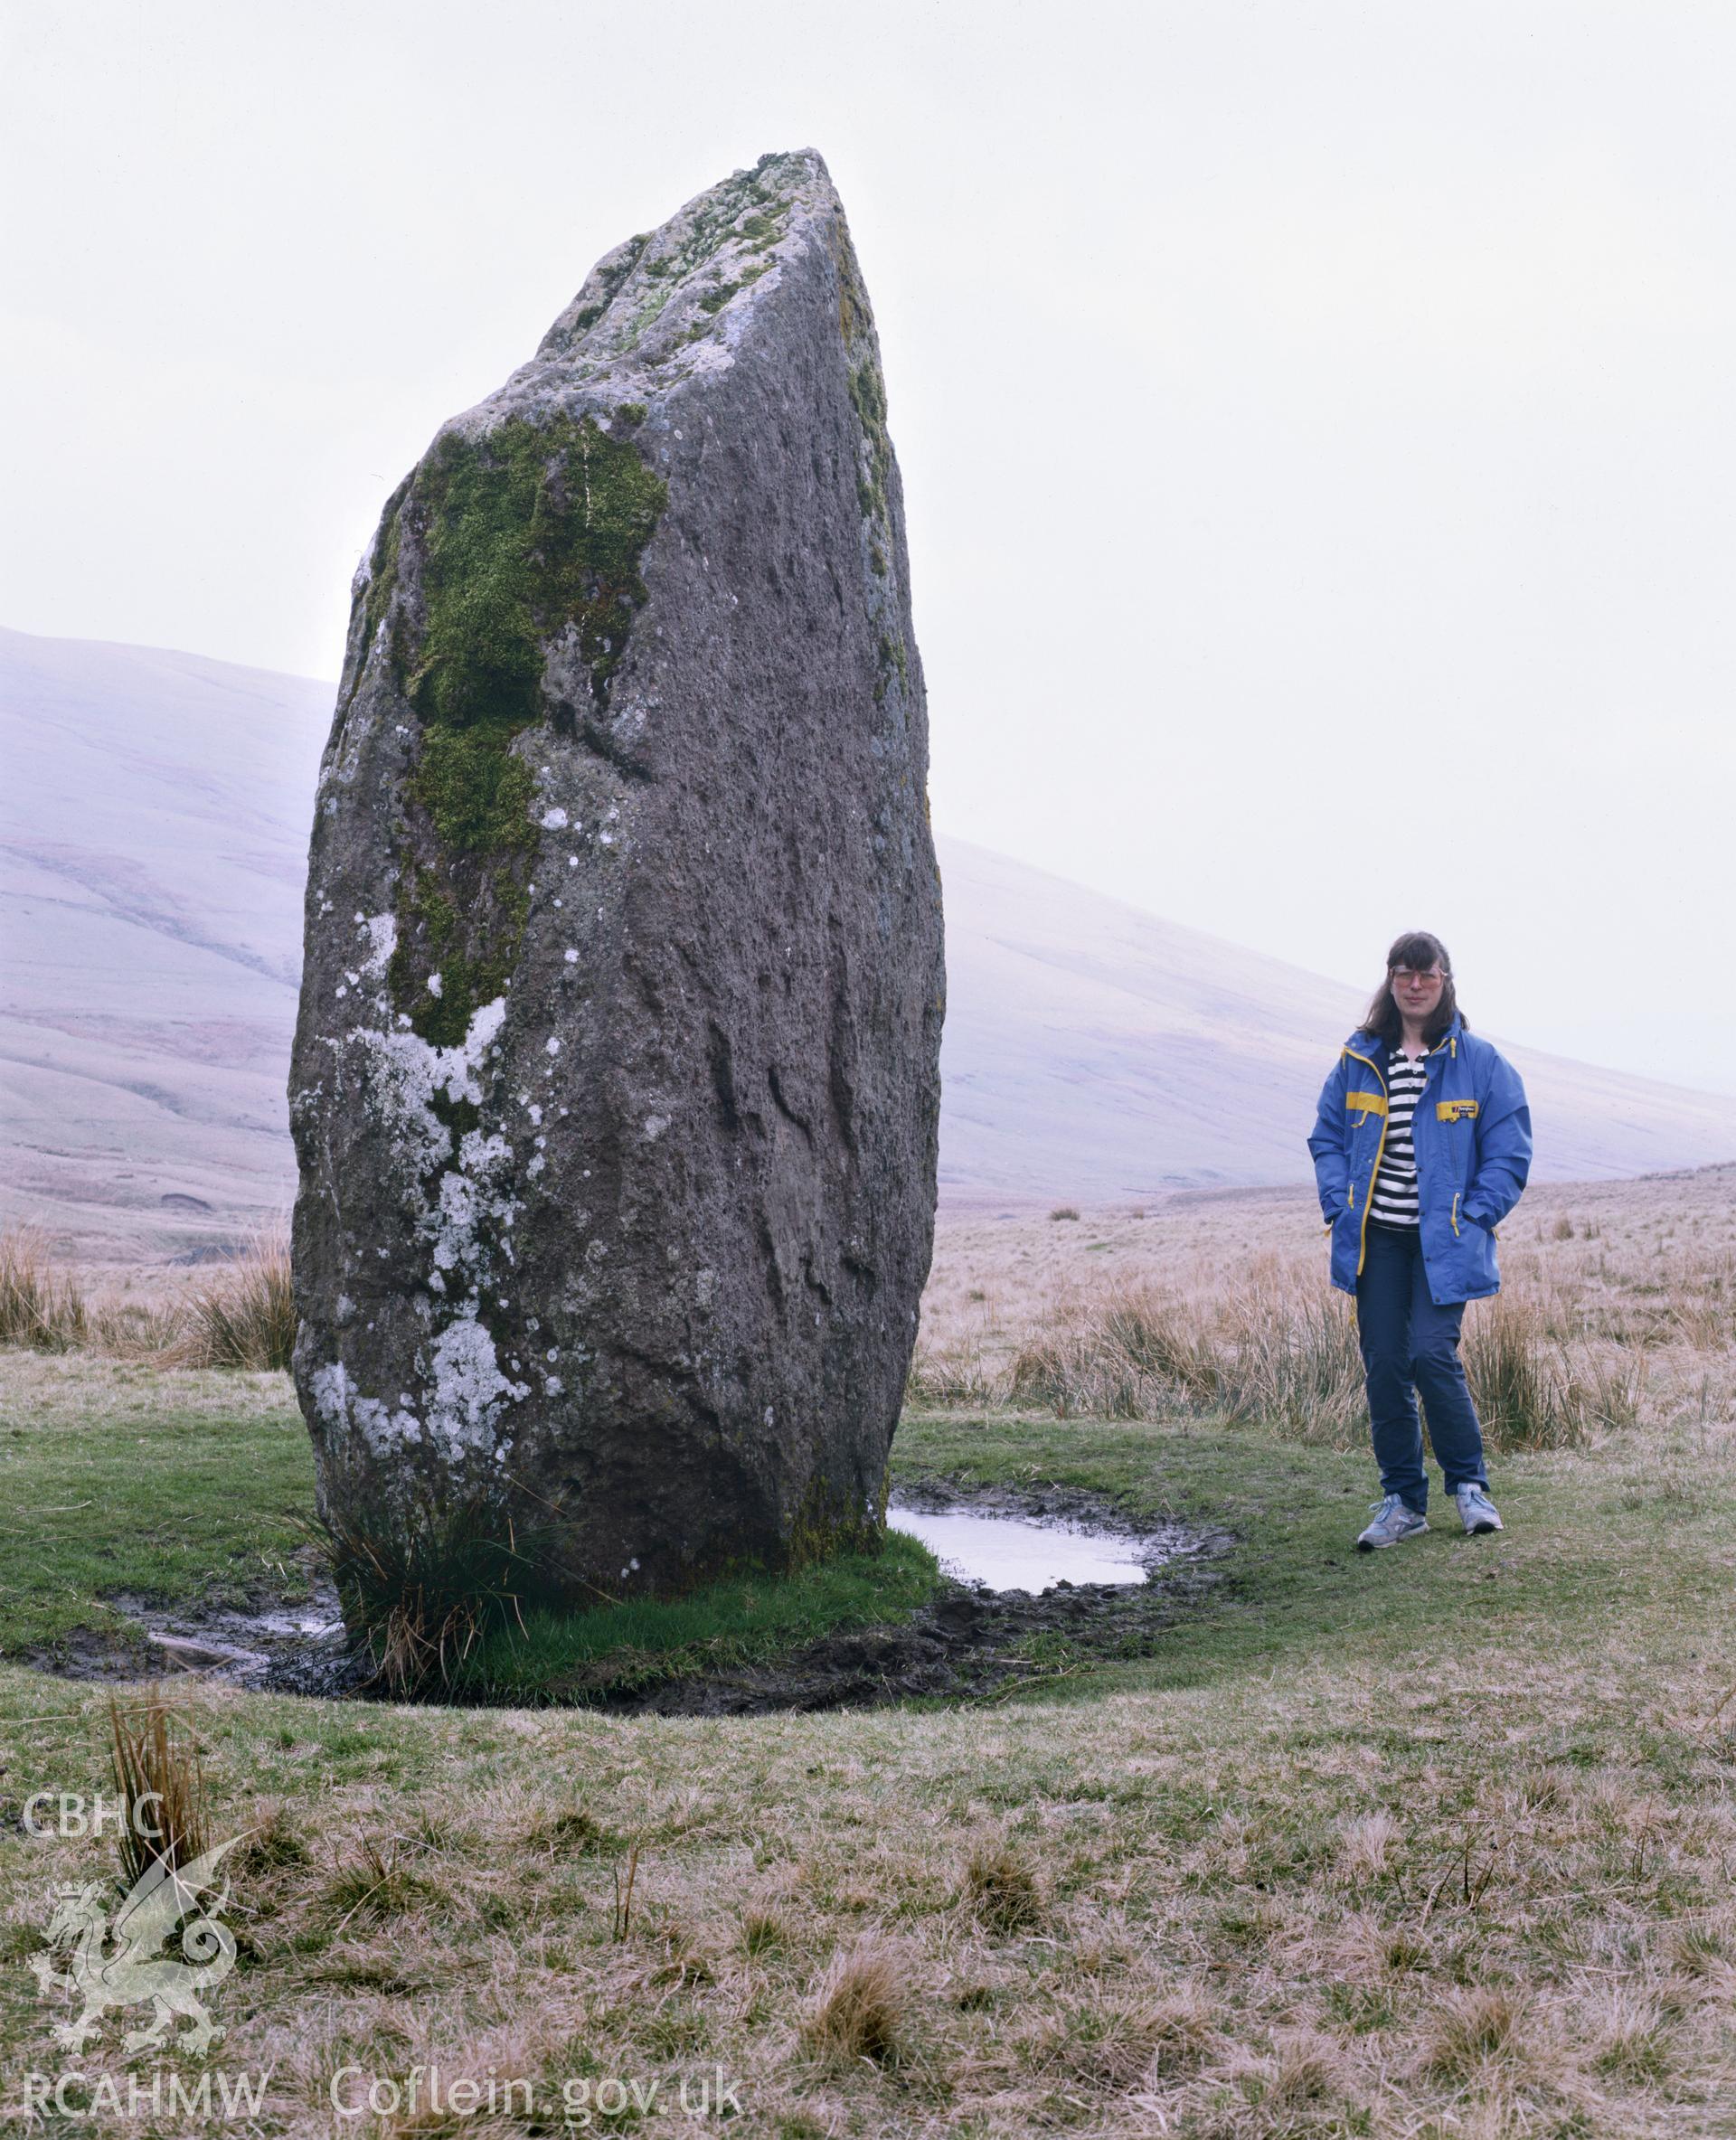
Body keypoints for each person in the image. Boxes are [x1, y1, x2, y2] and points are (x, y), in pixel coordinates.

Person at [1307, 931, 1532, 1551]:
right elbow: (1326, 1136)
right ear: (1390, 979)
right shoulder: (1360, 1058)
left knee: (1432, 1354)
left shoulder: (1479, 1062)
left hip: (1444, 1241)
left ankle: (1468, 1487)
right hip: (1376, 1240)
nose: (1414, 984)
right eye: (1403, 973)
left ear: (1444, 981)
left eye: (1425, 974)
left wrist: (1476, 1213)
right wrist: (1338, 1202)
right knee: (1383, 1363)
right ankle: (1403, 1501)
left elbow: (1510, 1149)